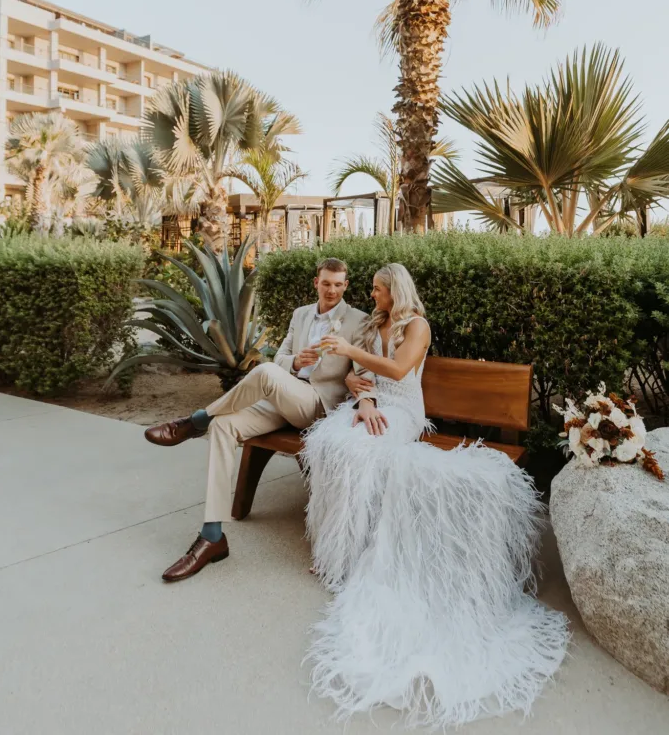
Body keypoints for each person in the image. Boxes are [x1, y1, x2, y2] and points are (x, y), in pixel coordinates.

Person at [301, 263, 569, 729]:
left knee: (364, 452)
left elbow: (399, 370)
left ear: (394, 291)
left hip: (402, 410)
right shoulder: (372, 323)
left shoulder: (417, 326)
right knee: (333, 443)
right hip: (373, 405)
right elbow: (355, 376)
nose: (372, 295)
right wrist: (359, 394)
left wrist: (357, 363)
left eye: (378, 290)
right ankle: (336, 545)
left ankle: (356, 548)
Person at [143, 257, 369, 582]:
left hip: (316, 405)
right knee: (225, 425)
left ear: (345, 285)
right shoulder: (301, 314)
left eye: (338, 284)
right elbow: (280, 356)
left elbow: (361, 371)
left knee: (263, 373)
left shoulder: (358, 322)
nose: (331, 290)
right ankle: (212, 536)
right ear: (315, 283)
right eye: (326, 283)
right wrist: (293, 362)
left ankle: (196, 420)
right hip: (285, 395)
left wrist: (361, 396)